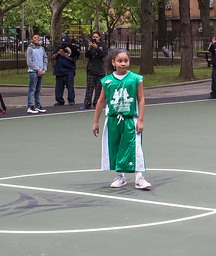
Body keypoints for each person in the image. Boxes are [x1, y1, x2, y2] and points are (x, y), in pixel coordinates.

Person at [92, 48, 150, 189]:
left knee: (135, 148)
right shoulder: (107, 81)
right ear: (113, 63)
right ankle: (120, 176)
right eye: (120, 61)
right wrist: (95, 122)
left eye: (126, 61)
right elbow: (101, 101)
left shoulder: (136, 79)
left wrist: (140, 120)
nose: (123, 64)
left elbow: (141, 100)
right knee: (115, 147)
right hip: (113, 120)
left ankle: (139, 177)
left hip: (130, 119)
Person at [82, 31, 108, 110]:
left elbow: (104, 55)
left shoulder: (103, 45)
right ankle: (87, 103)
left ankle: (97, 103)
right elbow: (87, 55)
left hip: (100, 69)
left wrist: (97, 48)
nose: (95, 38)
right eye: (93, 37)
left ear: (99, 37)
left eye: (96, 37)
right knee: (89, 87)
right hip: (91, 69)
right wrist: (89, 48)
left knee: (98, 88)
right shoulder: (89, 44)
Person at [52, 35, 79, 106]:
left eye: (66, 43)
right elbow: (52, 56)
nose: (64, 45)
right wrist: (58, 53)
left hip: (69, 70)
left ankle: (71, 100)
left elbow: (73, 60)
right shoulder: (59, 48)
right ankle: (59, 100)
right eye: (63, 43)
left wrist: (65, 55)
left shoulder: (73, 49)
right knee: (59, 87)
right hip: (59, 70)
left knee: (70, 86)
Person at [24, 33, 48, 114]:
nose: (37, 39)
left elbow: (45, 59)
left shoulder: (42, 48)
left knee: (38, 90)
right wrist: (37, 70)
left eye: (38, 38)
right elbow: (29, 62)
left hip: (41, 72)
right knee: (32, 89)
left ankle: (38, 106)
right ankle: (30, 106)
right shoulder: (30, 49)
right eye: (35, 38)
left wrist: (44, 70)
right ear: (32, 40)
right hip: (33, 72)